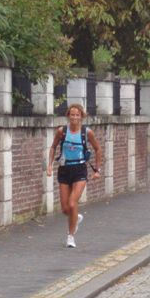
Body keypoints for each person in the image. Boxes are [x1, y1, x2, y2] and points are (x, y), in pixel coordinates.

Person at [47, 104, 103, 248]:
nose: (74, 118)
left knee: (72, 203)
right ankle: (76, 217)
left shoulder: (86, 132)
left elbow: (97, 149)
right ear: (68, 116)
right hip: (64, 170)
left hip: (80, 170)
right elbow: (53, 147)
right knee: (65, 209)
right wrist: (49, 165)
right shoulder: (62, 131)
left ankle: (70, 236)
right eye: (72, 115)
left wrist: (97, 170)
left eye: (77, 115)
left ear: (81, 117)